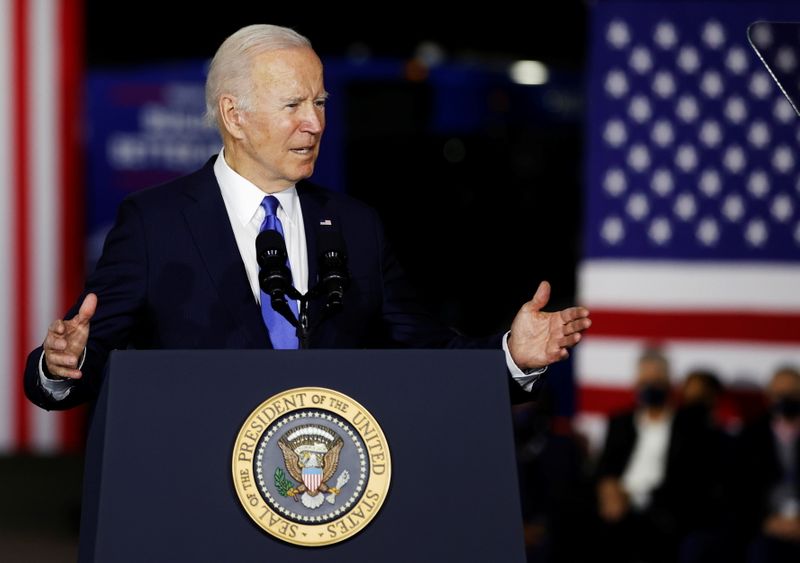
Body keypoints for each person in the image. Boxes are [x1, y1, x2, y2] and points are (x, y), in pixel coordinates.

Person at [23, 24, 591, 411]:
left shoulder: (354, 226)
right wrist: (59, 364)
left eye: (319, 103)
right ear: (234, 115)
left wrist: (510, 358)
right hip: (198, 504)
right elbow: (77, 365)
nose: (314, 124)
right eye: (293, 105)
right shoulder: (155, 224)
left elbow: (427, 355)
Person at [595, 350, 726, 563]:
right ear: (636, 384)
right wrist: (608, 490)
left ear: (669, 383)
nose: (650, 387)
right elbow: (606, 466)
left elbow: (691, 479)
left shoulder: (689, 426)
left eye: (656, 381)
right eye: (645, 381)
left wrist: (638, 497)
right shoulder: (620, 423)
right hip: (617, 508)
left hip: (662, 512)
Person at [733, 366, 800, 563]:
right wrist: (766, 522)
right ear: (769, 396)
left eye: (793, 393)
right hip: (765, 527)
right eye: (780, 393)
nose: (786, 399)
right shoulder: (750, 436)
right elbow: (740, 489)